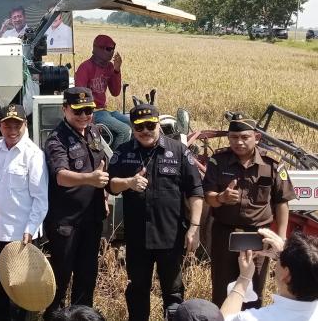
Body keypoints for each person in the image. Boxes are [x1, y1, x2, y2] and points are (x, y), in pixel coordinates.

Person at [107, 103, 204, 321]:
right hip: (137, 239)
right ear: (132, 128)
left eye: (150, 125)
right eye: (139, 127)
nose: (145, 131)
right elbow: (111, 185)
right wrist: (129, 183)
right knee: (137, 291)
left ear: (158, 123)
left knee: (173, 294)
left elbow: (196, 191)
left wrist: (195, 228)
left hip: (170, 237)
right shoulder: (123, 152)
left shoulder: (179, 151)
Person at [203, 114, 296, 309]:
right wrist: (221, 198)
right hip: (225, 234)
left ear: (257, 137)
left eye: (245, 137)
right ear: (228, 138)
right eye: (234, 137)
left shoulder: (272, 164)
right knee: (222, 289)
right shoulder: (218, 161)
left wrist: (280, 239)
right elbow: (208, 196)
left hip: (259, 237)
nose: (239, 142)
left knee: (254, 291)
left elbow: (282, 202)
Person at [43, 87, 107, 318]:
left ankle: (83, 316)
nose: (83, 116)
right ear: (65, 109)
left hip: (91, 218)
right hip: (66, 222)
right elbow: (61, 176)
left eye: (88, 110)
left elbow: (99, 165)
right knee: (60, 277)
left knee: (87, 275)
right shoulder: (56, 139)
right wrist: (90, 179)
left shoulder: (93, 132)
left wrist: (104, 196)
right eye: (78, 111)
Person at [0, 104, 49, 321]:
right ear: (0, 126)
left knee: (22, 295)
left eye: (16, 125)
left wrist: (30, 230)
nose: (12, 130)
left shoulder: (33, 155)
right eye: (7, 125)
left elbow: (40, 200)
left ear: (25, 125)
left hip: (22, 237)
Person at [220, 228, 318, 321]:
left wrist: (243, 278)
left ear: (286, 275)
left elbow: (222, 319)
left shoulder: (250, 318)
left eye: (279, 258)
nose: (276, 259)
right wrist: (284, 254)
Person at [75, 34, 130, 150]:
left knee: (136, 124)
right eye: (109, 49)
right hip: (94, 112)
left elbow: (115, 92)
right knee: (125, 131)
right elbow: (80, 97)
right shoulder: (85, 68)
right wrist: (90, 121)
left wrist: (116, 70)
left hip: (104, 111)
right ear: (98, 49)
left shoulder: (109, 67)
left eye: (113, 49)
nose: (112, 52)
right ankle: (116, 163)